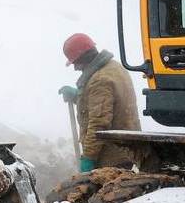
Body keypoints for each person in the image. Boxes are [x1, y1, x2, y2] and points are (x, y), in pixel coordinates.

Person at [59, 33, 140, 172]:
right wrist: (79, 96)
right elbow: (106, 104)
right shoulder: (113, 67)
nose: (75, 68)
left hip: (112, 157)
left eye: (75, 63)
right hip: (127, 148)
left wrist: (88, 158)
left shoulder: (99, 80)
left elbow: (99, 124)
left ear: (83, 58)